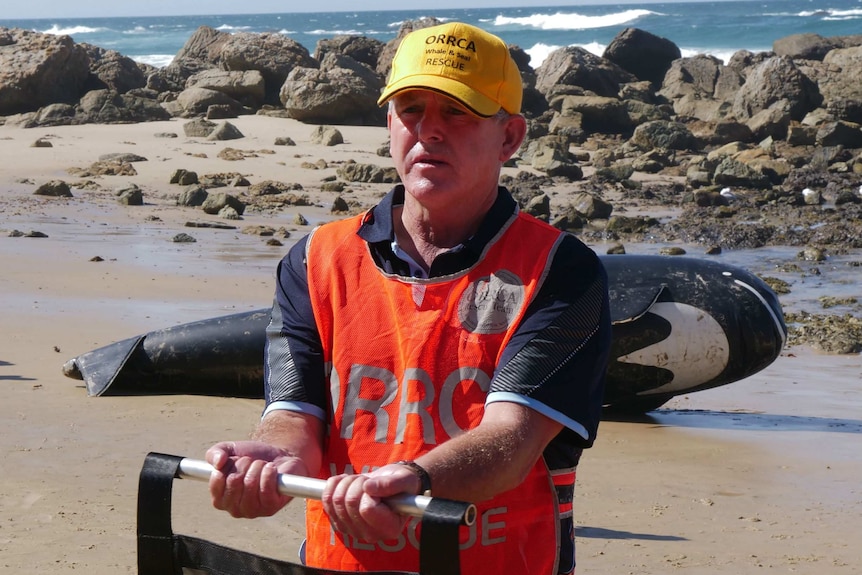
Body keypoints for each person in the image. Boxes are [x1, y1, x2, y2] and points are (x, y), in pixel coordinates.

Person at [206, 21, 611, 575]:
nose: (429, 131)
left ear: (510, 138)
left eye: (457, 112)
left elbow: (513, 441)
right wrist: (274, 461)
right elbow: (294, 414)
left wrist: (416, 481)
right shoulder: (315, 259)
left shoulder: (561, 271)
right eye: (411, 108)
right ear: (390, 122)